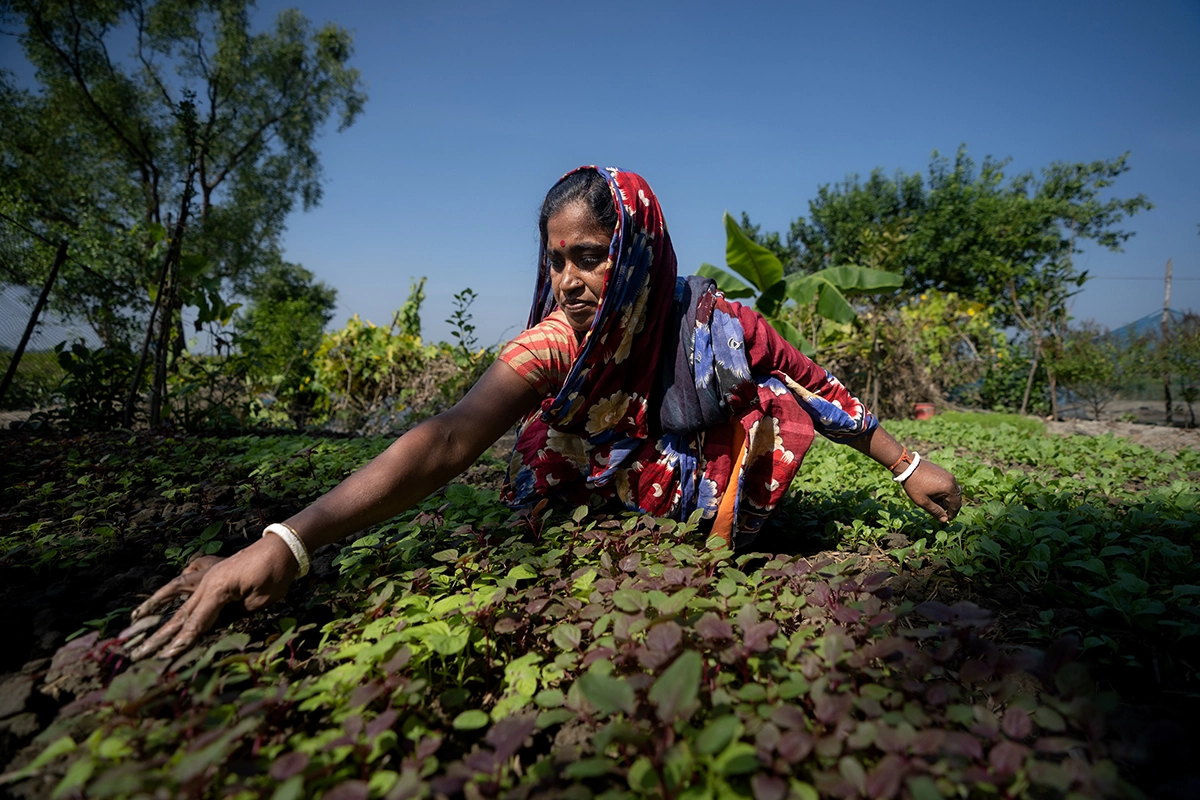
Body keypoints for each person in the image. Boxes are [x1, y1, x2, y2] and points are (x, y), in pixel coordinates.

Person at [130, 166, 961, 661]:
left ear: (633, 252)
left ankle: (703, 546)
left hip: (689, 478)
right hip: (589, 482)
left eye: (589, 258)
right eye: (555, 260)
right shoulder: (558, 341)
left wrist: (911, 466)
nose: (567, 279)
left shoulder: (721, 327)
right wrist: (290, 540)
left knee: (773, 401)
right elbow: (449, 437)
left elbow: (818, 387)